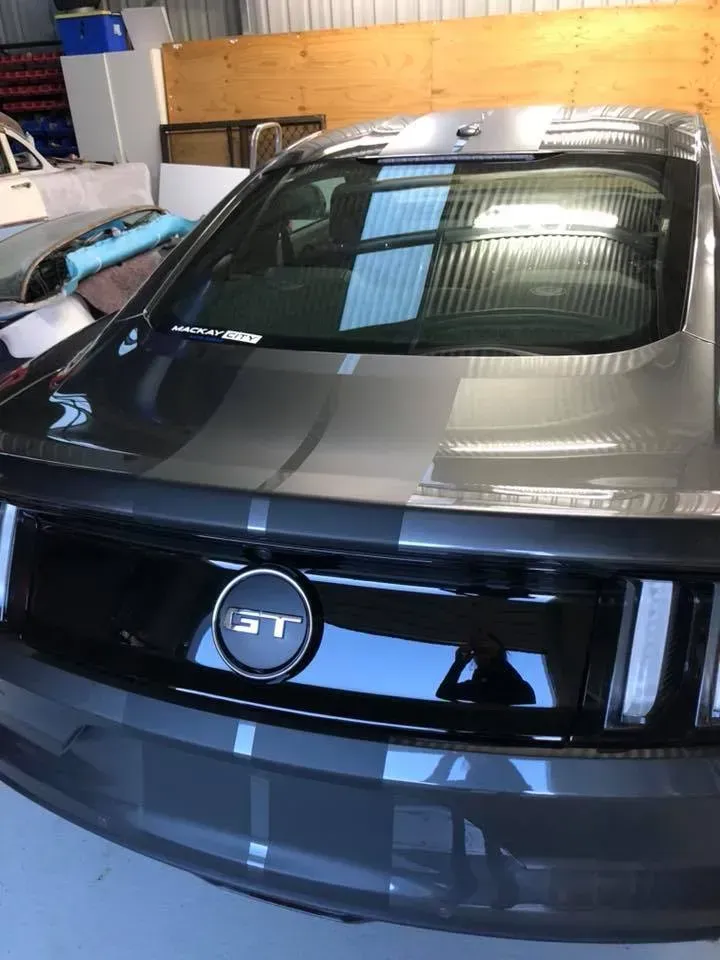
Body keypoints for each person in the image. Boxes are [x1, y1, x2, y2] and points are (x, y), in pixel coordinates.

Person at [436, 632, 536, 706]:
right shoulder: (475, 687)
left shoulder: (519, 687)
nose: (481, 645)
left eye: (485, 642)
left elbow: (444, 692)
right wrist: (459, 663)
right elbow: (443, 693)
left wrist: (459, 664)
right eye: (477, 649)